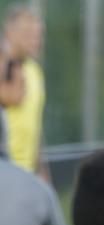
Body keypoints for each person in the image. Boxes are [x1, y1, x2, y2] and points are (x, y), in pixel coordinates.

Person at [3, 4, 44, 173]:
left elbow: (36, 129)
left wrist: (42, 174)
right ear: (10, 33)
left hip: (26, 173)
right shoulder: (4, 65)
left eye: (39, 35)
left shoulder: (35, 72)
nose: (36, 40)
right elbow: (14, 97)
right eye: (28, 34)